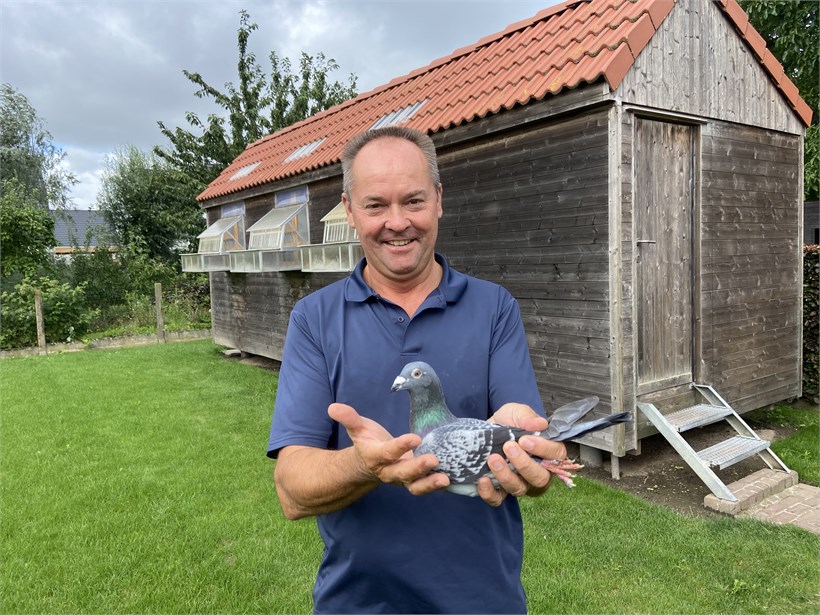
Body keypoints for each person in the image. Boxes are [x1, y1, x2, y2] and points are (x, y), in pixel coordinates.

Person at [267, 126, 567, 614]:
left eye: (413, 201)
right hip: (358, 604)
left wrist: (529, 452)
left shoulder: (494, 308)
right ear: (349, 210)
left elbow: (528, 459)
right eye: (375, 205)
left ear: (439, 200)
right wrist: (365, 465)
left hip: (482, 603)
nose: (397, 222)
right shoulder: (314, 319)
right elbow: (292, 492)